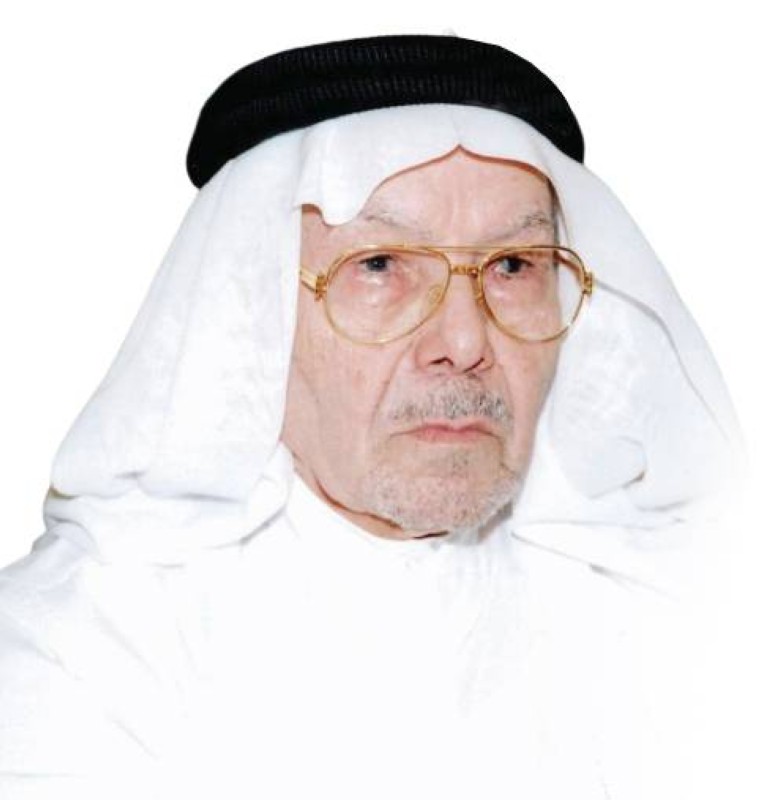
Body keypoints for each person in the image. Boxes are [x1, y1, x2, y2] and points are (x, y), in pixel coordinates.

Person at [0, 35, 740, 799]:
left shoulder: (673, 626)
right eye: (379, 265)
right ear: (251, 310)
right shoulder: (78, 655)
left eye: (513, 267)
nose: (464, 343)